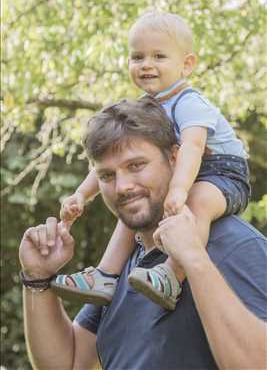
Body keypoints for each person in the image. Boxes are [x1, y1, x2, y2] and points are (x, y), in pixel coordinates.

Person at [19, 98, 267, 369]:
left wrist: (194, 260)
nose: (123, 186)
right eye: (107, 176)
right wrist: (37, 279)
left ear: (175, 158)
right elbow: (68, 363)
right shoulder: (119, 269)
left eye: (136, 165)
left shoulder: (236, 245)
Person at [51, 10, 251, 310]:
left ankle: (173, 274)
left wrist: (179, 190)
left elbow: (193, 147)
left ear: (186, 65)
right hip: (184, 171)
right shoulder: (143, 109)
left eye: (159, 56)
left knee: (199, 202)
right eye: (137, 57)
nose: (146, 65)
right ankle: (105, 275)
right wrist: (81, 194)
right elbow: (111, 160)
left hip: (223, 173)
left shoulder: (189, 103)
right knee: (134, 206)